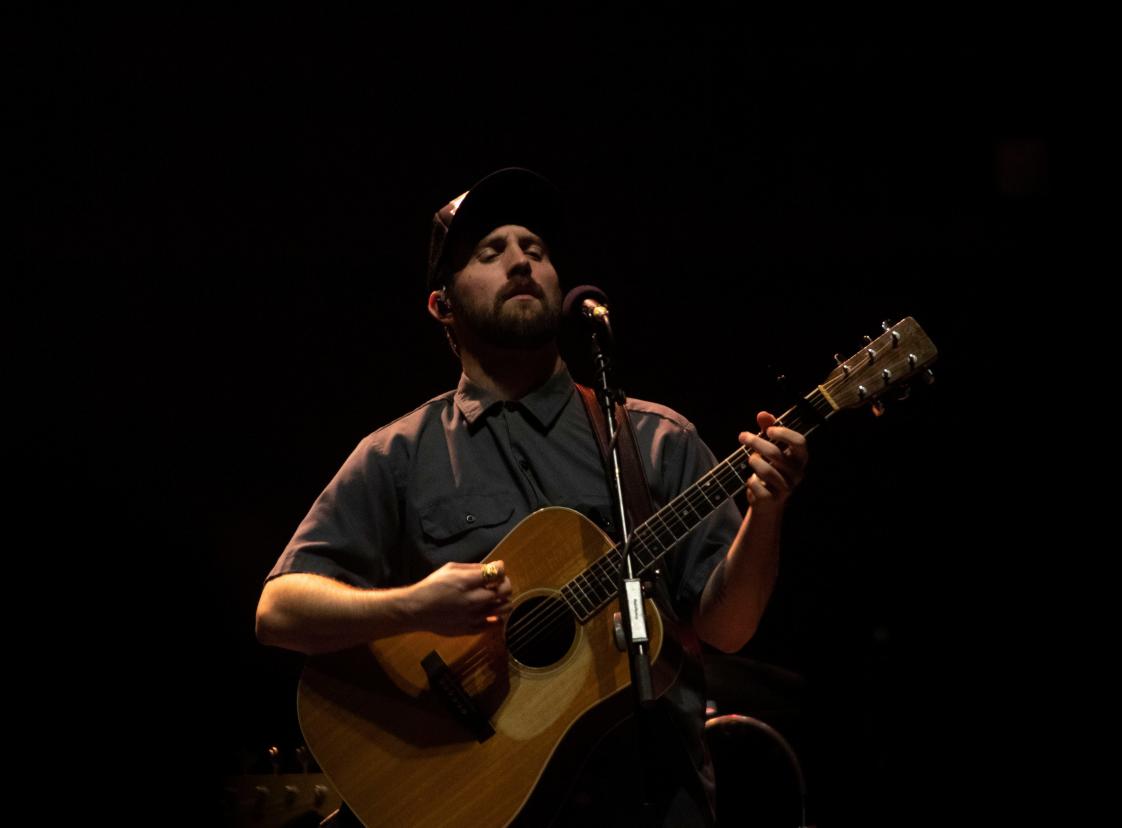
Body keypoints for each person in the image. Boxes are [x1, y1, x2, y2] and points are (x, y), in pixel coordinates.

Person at [255, 168, 809, 826]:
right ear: (442, 305)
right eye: (491, 252)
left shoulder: (651, 438)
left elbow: (728, 627)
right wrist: (412, 605)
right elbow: (278, 610)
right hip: (483, 804)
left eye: (536, 250)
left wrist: (767, 511)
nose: (521, 259)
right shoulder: (398, 455)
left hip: (657, 804)